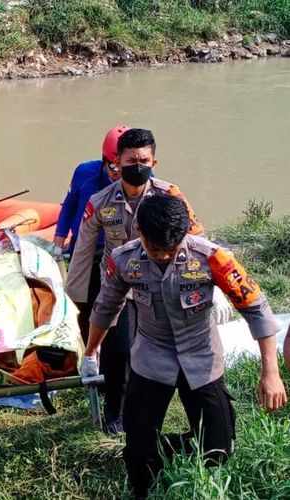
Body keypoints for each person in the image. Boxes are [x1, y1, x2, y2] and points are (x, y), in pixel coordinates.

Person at [81, 193, 287, 499]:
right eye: (155, 249)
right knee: (139, 458)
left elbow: (255, 307)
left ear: (185, 234)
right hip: (151, 358)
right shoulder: (124, 260)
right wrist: (90, 351)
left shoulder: (213, 258)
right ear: (140, 231)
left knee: (219, 449)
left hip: (201, 359)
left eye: (171, 249)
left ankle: (172, 450)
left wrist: (270, 372)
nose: (163, 256)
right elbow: (106, 306)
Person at [66, 127, 232, 435]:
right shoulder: (99, 200)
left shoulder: (169, 195)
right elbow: (83, 249)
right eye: (131, 160)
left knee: (166, 344)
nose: (137, 166)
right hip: (118, 281)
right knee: (118, 351)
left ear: (153, 161)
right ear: (117, 161)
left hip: (167, 278)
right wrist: (74, 299)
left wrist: (218, 283)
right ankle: (114, 413)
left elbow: (196, 236)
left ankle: (187, 411)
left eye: (144, 159)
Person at [53, 124, 129, 257]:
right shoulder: (85, 173)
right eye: (114, 167)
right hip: (82, 244)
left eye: (125, 168)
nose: (119, 173)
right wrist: (57, 244)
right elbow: (69, 206)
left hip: (118, 248)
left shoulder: (142, 180)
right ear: (104, 158)